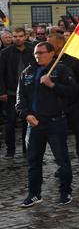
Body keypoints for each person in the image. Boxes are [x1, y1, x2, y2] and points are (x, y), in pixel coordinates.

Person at [17, 41, 76, 206]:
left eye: (41, 53)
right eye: (36, 53)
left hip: (55, 122)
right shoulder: (27, 72)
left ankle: (65, 193)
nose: (38, 56)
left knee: (62, 160)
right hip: (34, 123)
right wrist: (25, 114)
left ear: (51, 53)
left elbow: (73, 92)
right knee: (33, 162)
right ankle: (34, 194)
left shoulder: (61, 70)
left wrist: (52, 85)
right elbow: (20, 97)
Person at [46, 33, 79, 175]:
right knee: (58, 137)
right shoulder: (47, 63)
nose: (47, 47)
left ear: (59, 45)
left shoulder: (75, 62)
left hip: (73, 105)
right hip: (54, 107)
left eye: (50, 44)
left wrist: (72, 90)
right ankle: (62, 164)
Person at [0, 27, 34, 157]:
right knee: (10, 122)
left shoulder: (32, 50)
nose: (17, 38)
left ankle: (28, 149)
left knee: (28, 122)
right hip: (11, 93)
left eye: (20, 36)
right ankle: (10, 149)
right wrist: (2, 92)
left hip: (29, 93)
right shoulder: (5, 52)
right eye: (15, 36)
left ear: (25, 36)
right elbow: (1, 74)